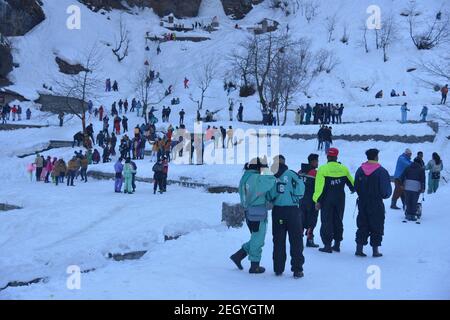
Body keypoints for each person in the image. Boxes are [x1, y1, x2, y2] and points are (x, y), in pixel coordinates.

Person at [230, 157, 276, 274]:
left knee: (256, 237)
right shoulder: (256, 178)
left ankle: (238, 256)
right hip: (258, 212)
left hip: (249, 212)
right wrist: (266, 170)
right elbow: (271, 180)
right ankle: (254, 266)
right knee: (258, 240)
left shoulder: (245, 177)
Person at [268, 155, 305, 278]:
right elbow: (300, 190)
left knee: (278, 240)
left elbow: (269, 195)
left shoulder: (271, 176)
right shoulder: (291, 174)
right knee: (296, 240)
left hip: (278, 211)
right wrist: (294, 195)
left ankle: (278, 268)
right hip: (293, 211)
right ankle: (297, 269)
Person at [313, 148, 355, 253]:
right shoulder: (343, 169)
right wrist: (352, 189)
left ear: (328, 157)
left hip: (327, 200)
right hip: (340, 199)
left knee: (326, 221)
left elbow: (319, 187)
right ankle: (337, 244)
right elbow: (352, 184)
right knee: (338, 221)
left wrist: (317, 200)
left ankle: (327, 245)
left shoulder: (323, 169)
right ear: (337, 157)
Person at [354, 149, 392, 258]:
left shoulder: (360, 170)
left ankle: (359, 249)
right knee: (377, 225)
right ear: (376, 157)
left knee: (362, 223)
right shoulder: (381, 171)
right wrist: (384, 196)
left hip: (362, 201)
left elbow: (356, 186)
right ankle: (375, 251)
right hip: (376, 202)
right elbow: (386, 191)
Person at [299, 154, 320, 248]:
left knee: (301, 221)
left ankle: (298, 239)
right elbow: (319, 187)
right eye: (317, 161)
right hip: (311, 201)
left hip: (300, 201)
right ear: (312, 162)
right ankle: (309, 240)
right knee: (312, 221)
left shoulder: (299, 172)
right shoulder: (315, 173)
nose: (318, 163)